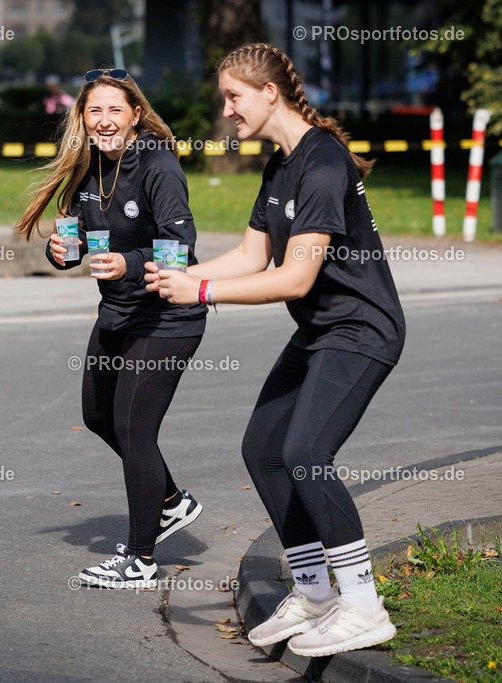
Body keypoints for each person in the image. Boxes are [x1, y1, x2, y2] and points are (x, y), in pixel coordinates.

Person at [146, 43, 405, 656]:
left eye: (233, 97)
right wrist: (177, 278)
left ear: (270, 92)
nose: (227, 111)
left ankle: (363, 606)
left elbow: (295, 278)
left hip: (361, 329)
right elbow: (251, 255)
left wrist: (201, 291)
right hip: (320, 331)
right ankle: (313, 593)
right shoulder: (281, 164)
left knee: (305, 452)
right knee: (263, 450)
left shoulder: (322, 162)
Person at [15, 68, 207, 589]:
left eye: (115, 110)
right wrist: (62, 251)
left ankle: (140, 560)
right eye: (94, 110)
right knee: (98, 416)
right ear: (82, 117)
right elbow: (78, 239)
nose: (104, 120)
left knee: (134, 429)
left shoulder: (157, 163)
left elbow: (180, 248)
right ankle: (171, 502)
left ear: (135, 115)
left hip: (167, 315)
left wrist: (129, 263)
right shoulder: (89, 168)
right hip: (118, 312)